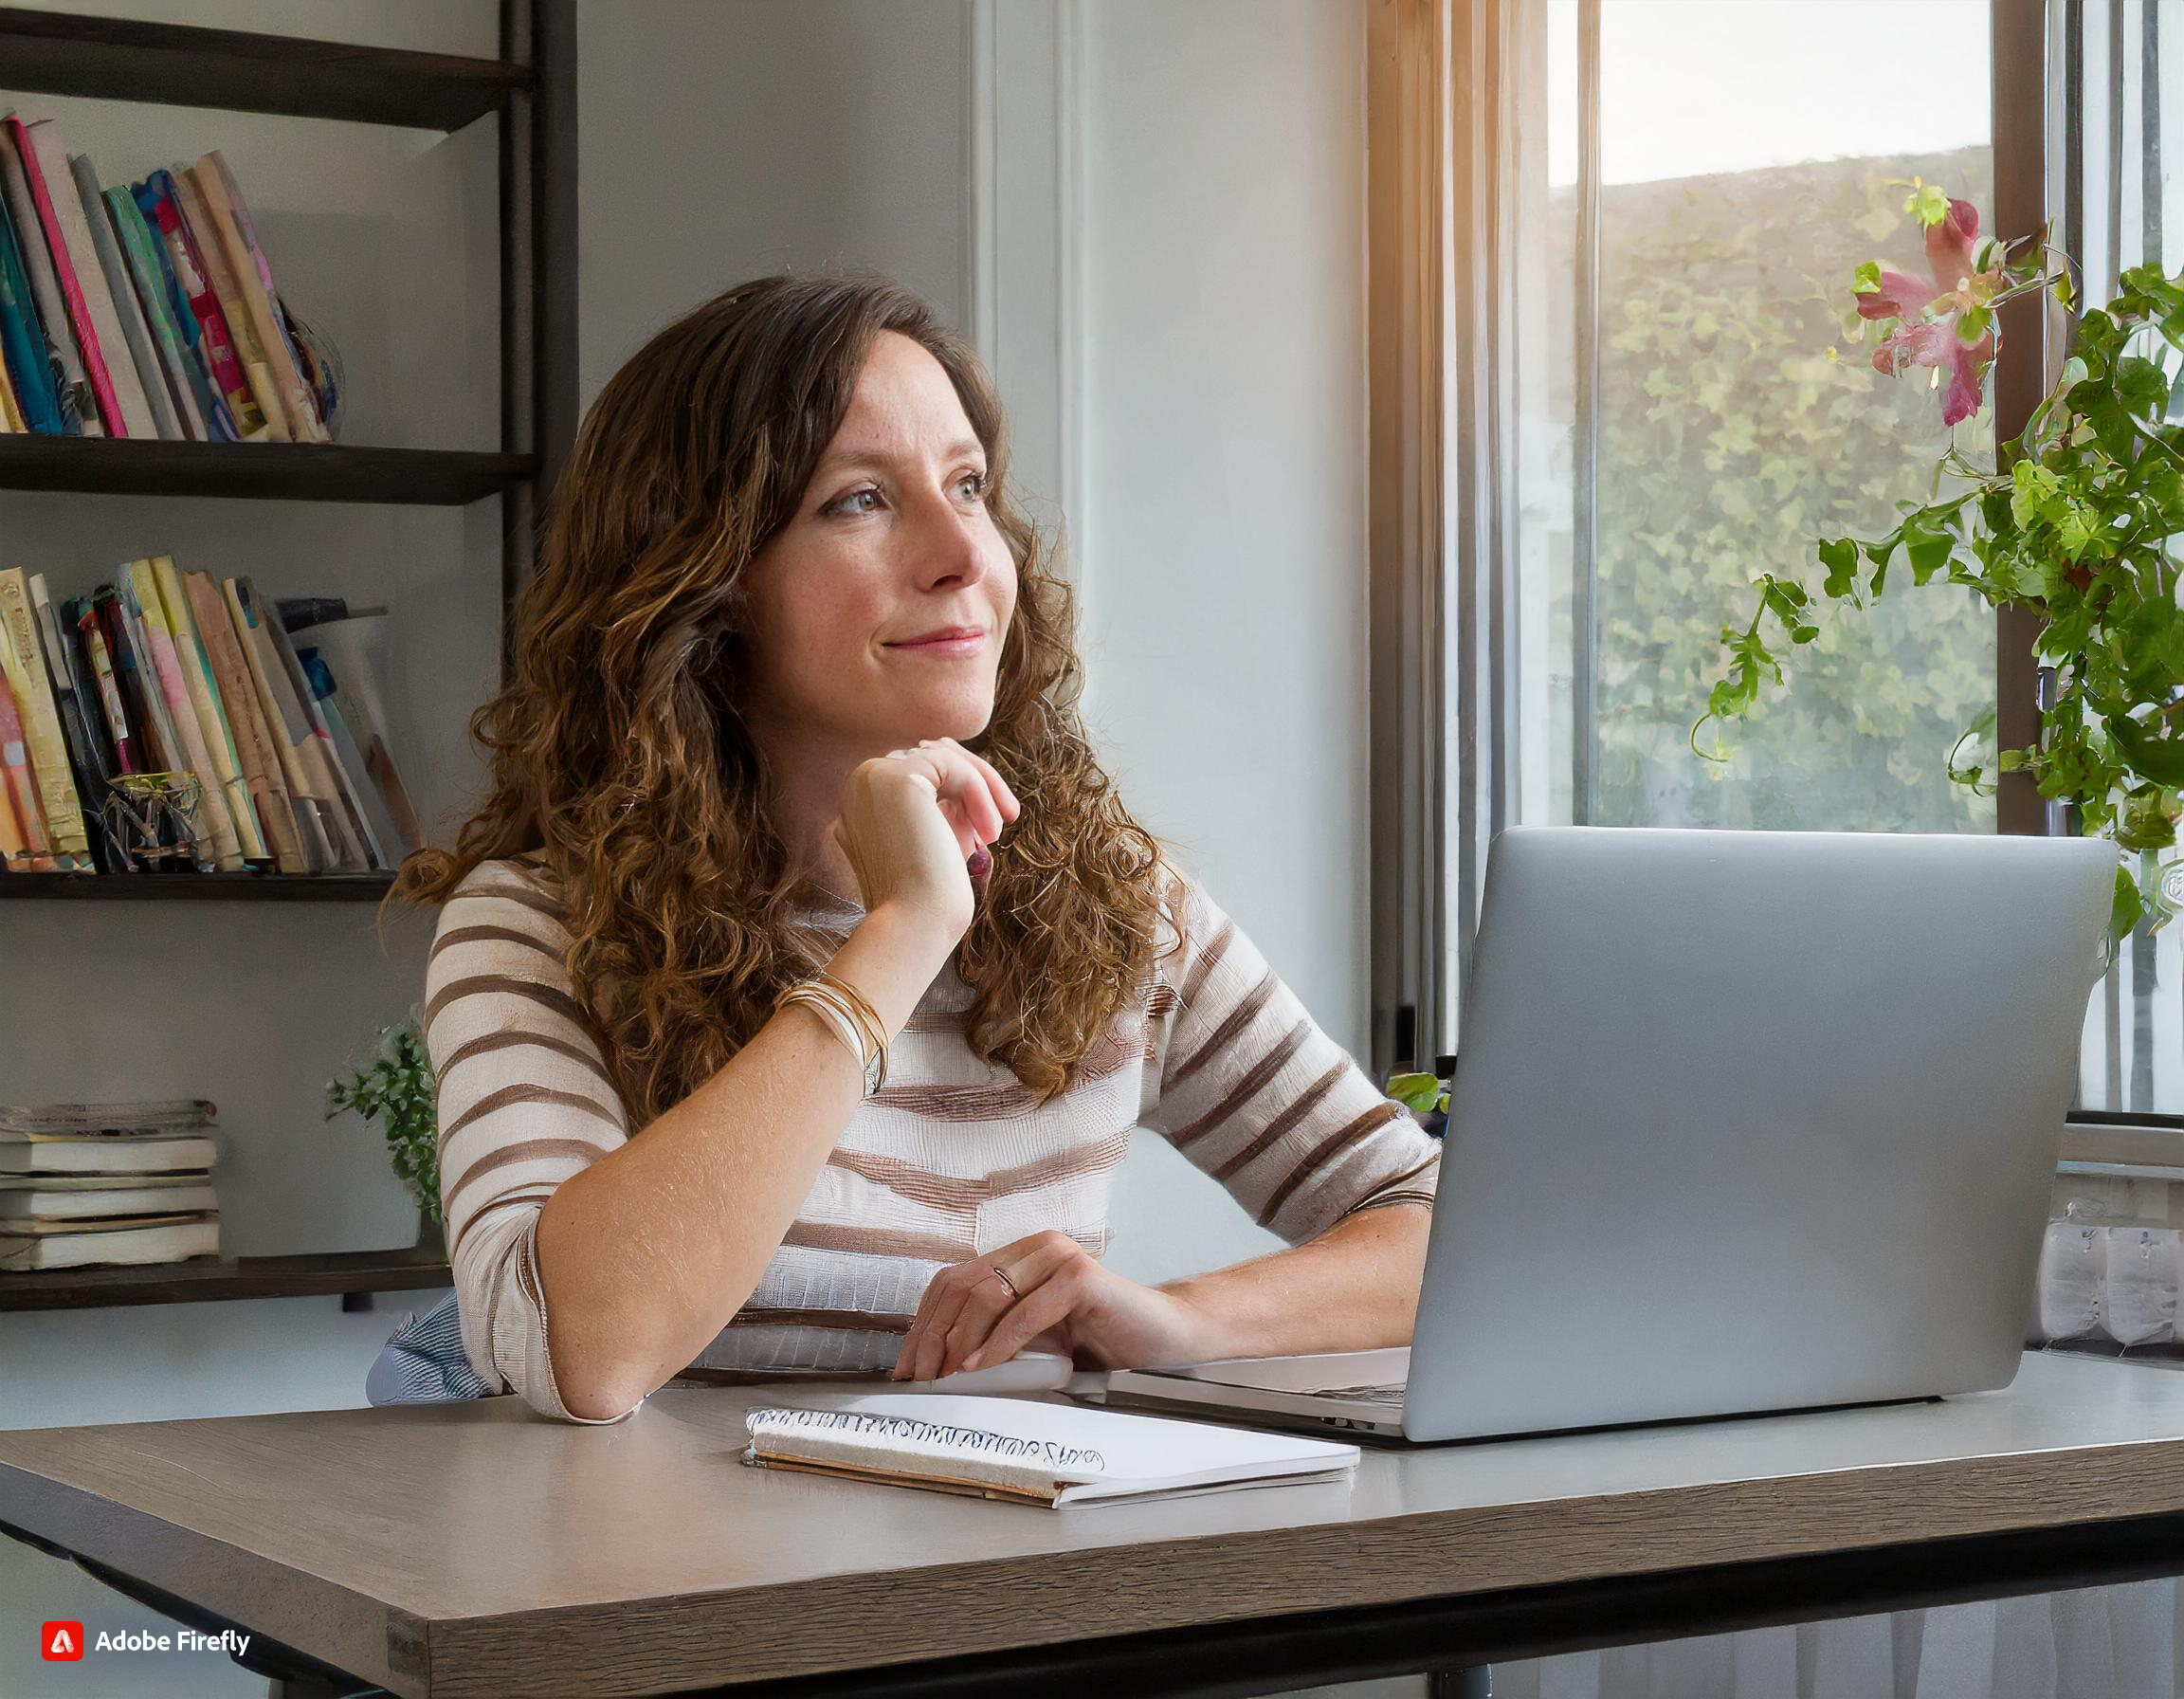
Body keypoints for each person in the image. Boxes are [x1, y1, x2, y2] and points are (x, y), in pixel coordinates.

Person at [394, 272, 1442, 1424]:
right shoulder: (536, 924)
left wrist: (1181, 1321)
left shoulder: (1121, 906)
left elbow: (1445, 1222)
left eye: (968, 485)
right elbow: (573, 1351)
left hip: (1011, 1581)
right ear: (706, 584)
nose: (963, 556)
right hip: (681, 1590)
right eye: (858, 500)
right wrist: (899, 937)